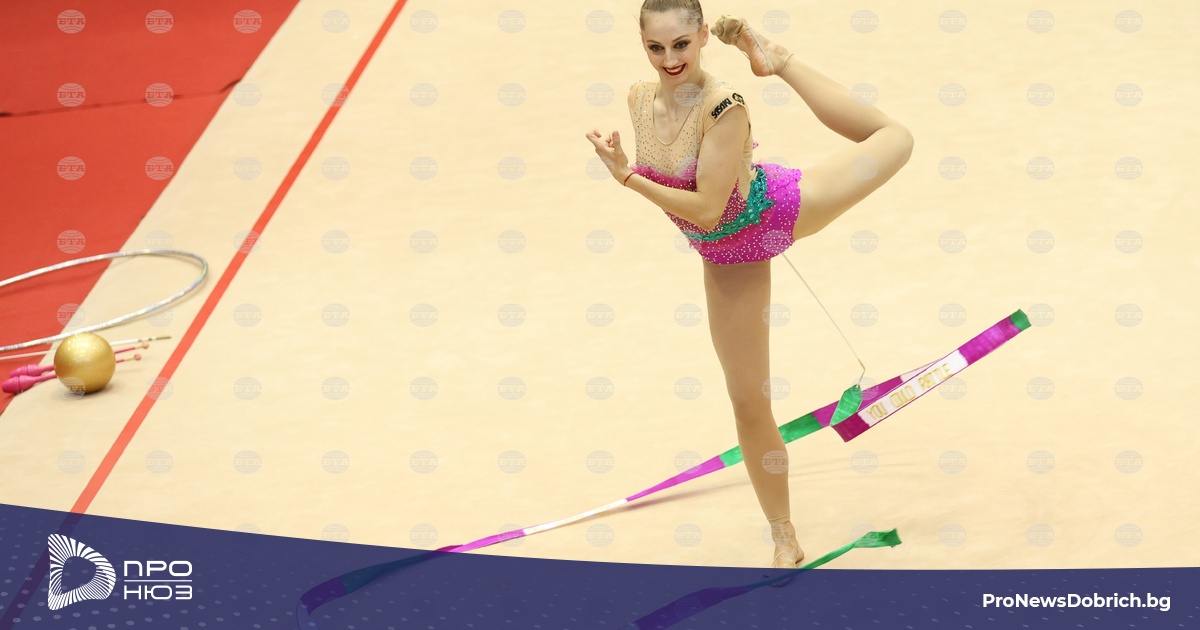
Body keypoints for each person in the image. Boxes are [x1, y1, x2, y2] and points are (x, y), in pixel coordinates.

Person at [585, 0, 913, 570]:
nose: (669, 59)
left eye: (681, 44)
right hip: (724, 255)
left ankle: (779, 60)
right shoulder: (638, 98)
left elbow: (709, 208)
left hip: (773, 214)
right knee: (747, 401)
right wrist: (631, 170)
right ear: (642, 45)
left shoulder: (724, 105)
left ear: (703, 38)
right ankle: (784, 537)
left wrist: (627, 176)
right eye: (656, 47)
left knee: (895, 137)